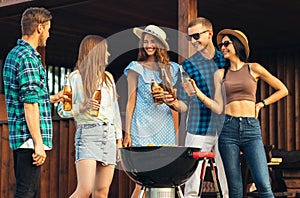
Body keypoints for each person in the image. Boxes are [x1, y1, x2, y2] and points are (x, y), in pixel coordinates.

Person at [190, 28, 288, 197]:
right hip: (227, 129)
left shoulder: (254, 68)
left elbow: (283, 89)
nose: (223, 47)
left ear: (238, 45)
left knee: (263, 184)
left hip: (251, 129)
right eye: (221, 45)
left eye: (226, 43)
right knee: (235, 189)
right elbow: (218, 107)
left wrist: (260, 104)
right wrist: (197, 91)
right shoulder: (220, 74)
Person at [2, 7, 65, 198]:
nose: (48, 34)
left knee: (30, 192)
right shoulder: (28, 58)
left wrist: (51, 98)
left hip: (22, 137)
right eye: (47, 29)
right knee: (26, 193)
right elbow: (29, 104)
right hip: (29, 138)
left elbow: (28, 95)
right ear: (39, 28)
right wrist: (38, 143)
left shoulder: (15, 54)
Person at [123, 24, 187, 198]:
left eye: (152, 41)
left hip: (165, 128)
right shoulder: (135, 67)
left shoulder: (172, 69)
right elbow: (131, 101)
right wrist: (127, 133)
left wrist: (176, 133)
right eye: (145, 41)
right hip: (141, 127)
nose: (148, 44)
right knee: (142, 180)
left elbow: (175, 105)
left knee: (164, 178)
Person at [57, 35, 123, 198]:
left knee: (101, 192)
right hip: (88, 135)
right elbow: (62, 110)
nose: (108, 55)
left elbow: (114, 112)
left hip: (108, 137)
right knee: (84, 189)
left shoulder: (108, 78)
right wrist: (82, 107)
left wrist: (119, 142)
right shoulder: (74, 78)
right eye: (105, 51)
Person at [176, 17, 228, 197]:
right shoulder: (187, 66)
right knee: (191, 182)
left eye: (196, 36)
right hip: (198, 127)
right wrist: (171, 102)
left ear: (210, 34)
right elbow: (183, 104)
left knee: (227, 179)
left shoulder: (226, 60)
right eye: (190, 37)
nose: (193, 41)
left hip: (226, 128)